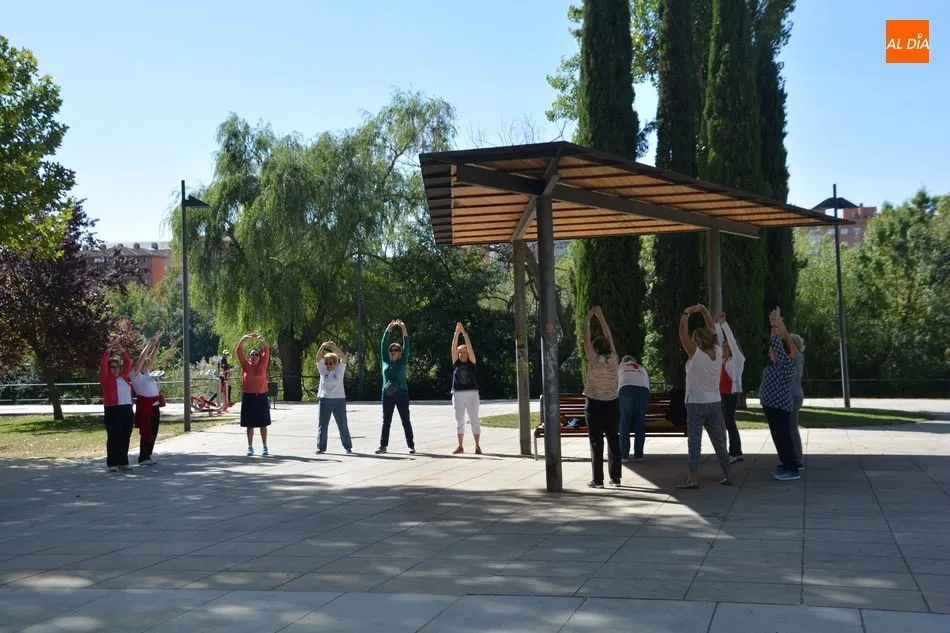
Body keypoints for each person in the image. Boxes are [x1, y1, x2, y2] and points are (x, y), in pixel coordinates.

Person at [677, 304, 732, 489]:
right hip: (715, 401)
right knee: (720, 441)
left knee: (695, 442)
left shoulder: (696, 354)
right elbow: (713, 329)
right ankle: (728, 474)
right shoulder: (718, 351)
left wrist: (686, 313)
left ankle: (693, 478)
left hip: (695, 402)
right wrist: (704, 311)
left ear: (698, 341)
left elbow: (682, 333)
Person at [583, 306, 622, 488]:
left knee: (596, 442)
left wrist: (588, 318)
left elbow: (586, 340)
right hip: (612, 403)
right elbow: (609, 335)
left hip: (594, 404)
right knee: (613, 439)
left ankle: (598, 480)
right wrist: (601, 315)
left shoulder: (594, 360)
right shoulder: (614, 358)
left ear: (595, 349)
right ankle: (615, 478)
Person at [760, 309, 800, 480]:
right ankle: (785, 463)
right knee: (778, 437)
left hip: (779, 407)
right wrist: (774, 326)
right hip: (772, 406)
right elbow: (776, 342)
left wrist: (776, 326)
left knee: (783, 437)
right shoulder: (775, 364)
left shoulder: (785, 363)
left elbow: (779, 343)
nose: (770, 353)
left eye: (773, 351)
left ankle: (792, 468)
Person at [376, 319, 415, 455]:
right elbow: (383, 343)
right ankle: (383, 446)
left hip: (401, 394)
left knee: (405, 420)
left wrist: (403, 327)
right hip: (387, 394)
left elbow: (406, 343)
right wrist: (389, 327)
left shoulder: (402, 361)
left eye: (396, 350)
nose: (393, 351)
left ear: (400, 352)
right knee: (386, 421)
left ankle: (411, 445)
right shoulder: (385, 361)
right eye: (391, 349)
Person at [715, 314, 746, 464]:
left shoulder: (737, 360)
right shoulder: (724, 360)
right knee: (729, 423)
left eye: (728, 347)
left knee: (729, 423)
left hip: (730, 395)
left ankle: (734, 452)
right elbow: (721, 340)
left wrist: (724, 324)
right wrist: (716, 325)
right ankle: (736, 451)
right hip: (723, 394)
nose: (725, 347)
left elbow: (731, 341)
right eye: (724, 346)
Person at [130, 331, 165, 466]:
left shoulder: (147, 373)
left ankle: (148, 455)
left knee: (154, 431)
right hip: (145, 407)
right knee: (146, 430)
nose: (147, 361)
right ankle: (143, 457)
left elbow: (152, 358)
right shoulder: (135, 375)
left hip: (154, 406)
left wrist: (157, 345)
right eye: (144, 361)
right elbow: (142, 358)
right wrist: (148, 345)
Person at [99, 344, 134, 472]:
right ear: (109, 369)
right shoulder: (106, 378)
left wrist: (123, 351)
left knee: (125, 436)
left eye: (117, 367)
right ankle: (112, 463)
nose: (115, 369)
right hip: (113, 410)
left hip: (127, 409)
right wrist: (108, 350)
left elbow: (128, 364)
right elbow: (103, 364)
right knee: (114, 437)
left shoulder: (124, 377)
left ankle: (123, 462)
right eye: (112, 367)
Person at [236, 332, 271, 456]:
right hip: (248, 397)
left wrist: (262, 340)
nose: (254, 356)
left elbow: (267, 350)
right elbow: (238, 351)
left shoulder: (263, 364)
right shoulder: (245, 365)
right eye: (252, 354)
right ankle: (250, 447)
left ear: (260, 357)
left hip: (261, 397)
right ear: (249, 357)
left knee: (263, 424)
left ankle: (265, 446)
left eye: (256, 354)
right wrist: (243, 339)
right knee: (249, 424)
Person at [316, 341, 352, 455]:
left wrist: (335, 347)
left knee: (342, 424)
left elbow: (344, 358)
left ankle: (348, 446)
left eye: (330, 363)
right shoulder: (323, 370)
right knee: (323, 425)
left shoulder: (340, 370)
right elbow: (318, 359)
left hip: (339, 400)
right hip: (324, 400)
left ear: (335, 363)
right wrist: (322, 346)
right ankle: (321, 447)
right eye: (326, 363)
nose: (328, 365)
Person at [450, 322, 481, 455]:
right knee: (460, 421)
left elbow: (470, 348)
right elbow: (453, 349)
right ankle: (460, 446)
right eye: (460, 352)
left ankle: (477, 446)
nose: (462, 354)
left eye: (464, 352)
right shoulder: (456, 363)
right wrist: (456, 334)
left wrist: (464, 333)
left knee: (474, 419)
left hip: (472, 393)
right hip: (458, 394)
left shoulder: (472, 362)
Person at [618, 355, 650, 461]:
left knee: (624, 423)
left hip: (626, 391)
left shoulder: (620, 367)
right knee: (639, 424)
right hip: (643, 393)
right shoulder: (641, 368)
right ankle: (639, 455)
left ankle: (624, 455)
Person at [789, 333, 806, 469]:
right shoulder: (794, 357)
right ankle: (792, 457)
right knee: (790, 427)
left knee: (792, 427)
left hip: (794, 395)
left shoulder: (797, 356)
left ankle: (797, 459)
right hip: (792, 395)